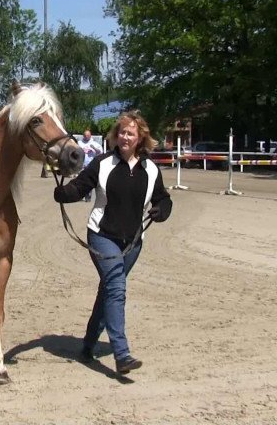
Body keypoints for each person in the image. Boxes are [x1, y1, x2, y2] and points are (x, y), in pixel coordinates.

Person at [54, 111, 172, 374]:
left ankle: (87, 346)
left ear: (140, 137)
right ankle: (122, 354)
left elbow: (163, 199)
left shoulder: (151, 169)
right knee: (117, 288)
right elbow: (80, 187)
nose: (125, 137)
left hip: (133, 243)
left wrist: (162, 211)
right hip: (102, 236)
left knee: (108, 291)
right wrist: (63, 193)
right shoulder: (102, 163)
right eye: (121, 132)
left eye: (130, 133)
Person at [77, 129, 103, 202]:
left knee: (88, 181)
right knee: (80, 181)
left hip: (90, 165)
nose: (86, 136)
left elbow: (100, 152)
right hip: (81, 165)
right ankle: (81, 196)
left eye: (88, 135)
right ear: (83, 136)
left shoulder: (95, 143)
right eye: (85, 135)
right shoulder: (79, 143)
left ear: (90, 135)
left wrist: (93, 148)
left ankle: (88, 197)